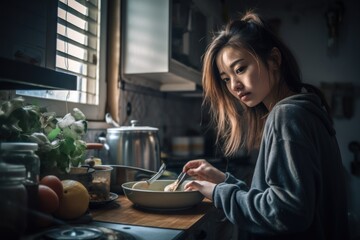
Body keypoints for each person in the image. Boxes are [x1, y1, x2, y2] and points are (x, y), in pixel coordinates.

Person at [183, 10, 349, 240]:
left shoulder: (287, 115)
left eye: (240, 69)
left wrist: (218, 192)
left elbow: (287, 213)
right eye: (226, 79)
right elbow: (277, 199)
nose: (234, 86)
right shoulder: (307, 109)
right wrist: (223, 180)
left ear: (274, 60)